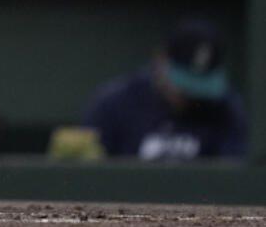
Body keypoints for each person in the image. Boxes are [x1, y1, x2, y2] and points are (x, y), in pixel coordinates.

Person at [82, 16, 248, 160]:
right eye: (183, 85)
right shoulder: (114, 104)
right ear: (160, 59)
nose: (188, 95)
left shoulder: (226, 110)